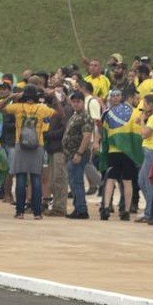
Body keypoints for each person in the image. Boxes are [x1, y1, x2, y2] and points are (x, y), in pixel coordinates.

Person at [0, 85, 59, 219]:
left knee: (21, 178)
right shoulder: (42, 108)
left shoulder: (18, 107)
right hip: (38, 145)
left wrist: (11, 97)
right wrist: (53, 98)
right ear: (36, 97)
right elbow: (60, 114)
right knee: (36, 178)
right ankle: (37, 212)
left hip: (20, 145)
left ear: (23, 97)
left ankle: (19, 212)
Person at [99, 87, 143, 221]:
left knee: (111, 179)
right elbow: (138, 135)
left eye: (118, 95)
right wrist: (137, 153)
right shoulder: (135, 113)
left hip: (114, 151)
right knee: (127, 181)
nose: (116, 98)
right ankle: (126, 211)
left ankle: (106, 207)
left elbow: (104, 134)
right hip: (128, 153)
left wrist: (103, 151)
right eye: (114, 96)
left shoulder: (108, 113)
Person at [61, 91, 93, 219]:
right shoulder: (75, 116)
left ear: (83, 102)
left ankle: (82, 210)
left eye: (78, 102)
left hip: (78, 154)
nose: (75, 104)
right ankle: (78, 207)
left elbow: (86, 136)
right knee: (73, 182)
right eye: (73, 102)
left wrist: (79, 153)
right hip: (71, 154)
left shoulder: (85, 117)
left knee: (77, 182)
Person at [136, 95, 153, 222]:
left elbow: (145, 134)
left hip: (152, 150)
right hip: (150, 151)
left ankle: (151, 211)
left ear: (152, 105)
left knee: (148, 182)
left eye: (145, 104)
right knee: (142, 180)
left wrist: (142, 120)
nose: (144, 107)